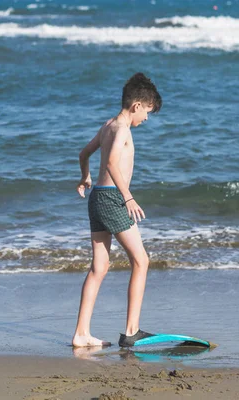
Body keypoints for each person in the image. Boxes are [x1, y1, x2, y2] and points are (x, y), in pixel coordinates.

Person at [72, 72, 162, 348]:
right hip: (112, 198)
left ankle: (81, 334)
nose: (146, 119)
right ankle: (132, 330)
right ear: (136, 106)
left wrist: (85, 177)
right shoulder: (122, 129)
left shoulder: (107, 126)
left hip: (97, 198)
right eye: (147, 112)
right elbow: (111, 164)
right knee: (141, 261)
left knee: (99, 266)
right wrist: (128, 197)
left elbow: (83, 154)